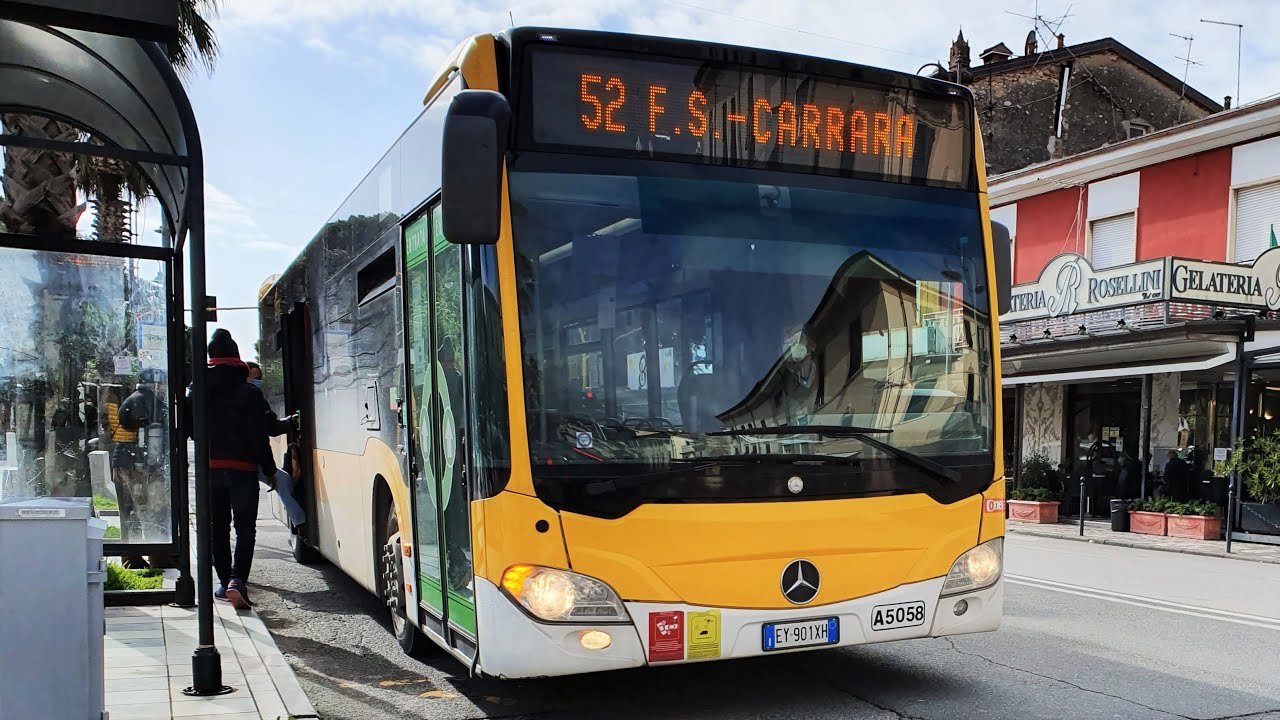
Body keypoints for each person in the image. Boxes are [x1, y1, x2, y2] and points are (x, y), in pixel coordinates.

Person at [200, 329, 277, 609]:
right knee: (245, 528)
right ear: (236, 358)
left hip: (210, 470)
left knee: (217, 527)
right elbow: (259, 437)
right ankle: (237, 581)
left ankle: (222, 583)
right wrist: (268, 469)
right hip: (243, 470)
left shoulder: (197, 389)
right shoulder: (249, 392)